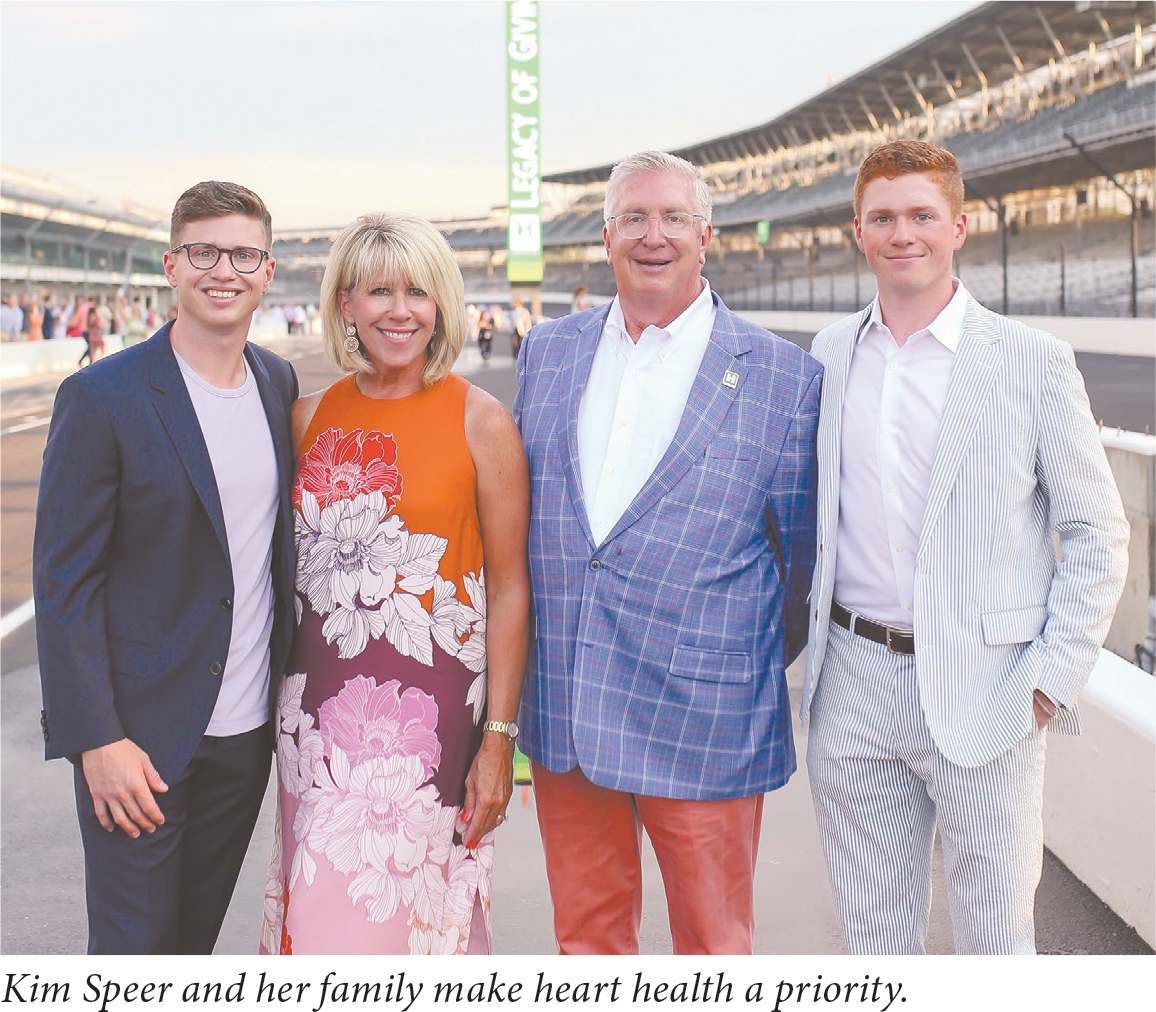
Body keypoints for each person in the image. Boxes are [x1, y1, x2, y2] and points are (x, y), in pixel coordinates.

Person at [801, 140, 1129, 955]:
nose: (901, 232)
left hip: (990, 688)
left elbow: (1097, 531)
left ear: (959, 224)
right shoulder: (830, 353)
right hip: (851, 681)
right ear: (858, 231)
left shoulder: (1032, 362)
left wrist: (1050, 682)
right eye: (883, 217)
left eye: (920, 215)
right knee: (874, 934)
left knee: (995, 933)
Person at [514, 150, 821, 955]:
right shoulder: (546, 352)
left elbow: (798, 567)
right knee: (585, 937)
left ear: (705, 233)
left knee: (715, 941)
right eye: (634, 219)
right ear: (606, 235)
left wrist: (721, 652)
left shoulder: (785, 378)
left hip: (704, 716)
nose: (654, 236)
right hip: (568, 707)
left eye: (672, 217)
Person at [34, 180, 298, 954]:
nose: (226, 269)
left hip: (245, 734)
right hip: (138, 746)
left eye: (244, 253)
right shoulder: (101, 396)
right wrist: (96, 740)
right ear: (171, 265)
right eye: (204, 252)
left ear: (269, 269)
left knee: (190, 947)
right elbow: (65, 584)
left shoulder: (277, 384)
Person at [260, 211, 530, 956]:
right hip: (311, 728)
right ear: (345, 304)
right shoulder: (305, 419)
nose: (400, 310)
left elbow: (511, 590)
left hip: (434, 733)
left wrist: (498, 744)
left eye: (418, 291)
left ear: (441, 303)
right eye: (379, 291)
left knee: (413, 930)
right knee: (317, 927)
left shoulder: (484, 423)